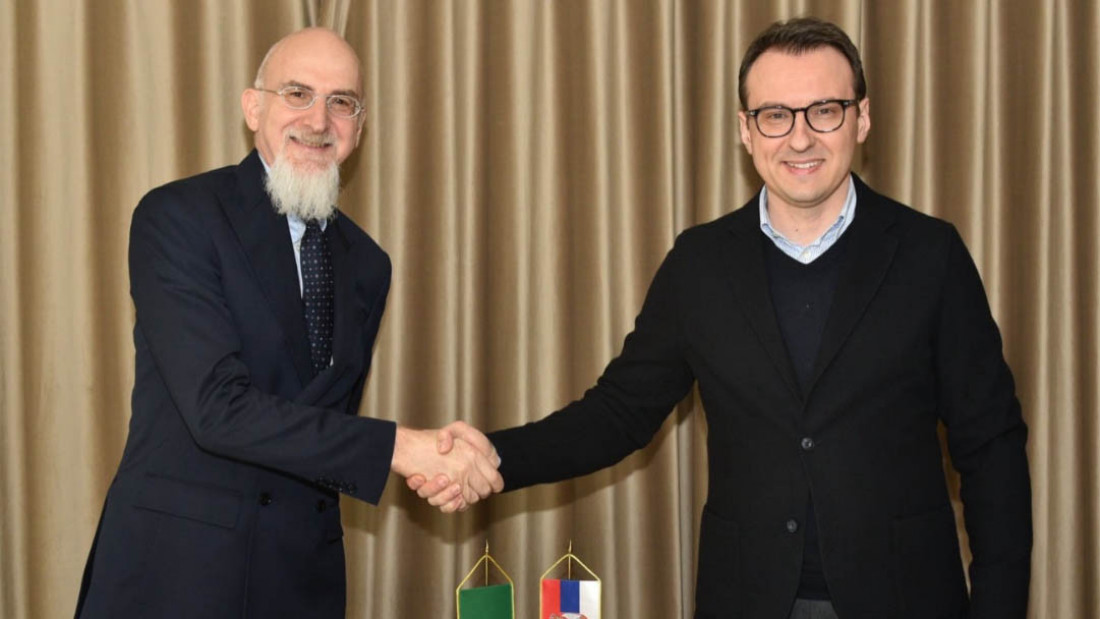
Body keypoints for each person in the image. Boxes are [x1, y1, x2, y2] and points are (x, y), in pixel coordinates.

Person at [418, 17, 1032, 619]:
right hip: (747, 596)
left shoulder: (931, 255)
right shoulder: (700, 264)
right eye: (775, 115)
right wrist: (494, 458)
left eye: (824, 110)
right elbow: (618, 413)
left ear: (862, 118)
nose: (799, 138)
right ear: (745, 129)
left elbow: (991, 447)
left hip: (906, 598)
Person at [75, 27, 500, 618]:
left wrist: (437, 462)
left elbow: (323, 428)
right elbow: (217, 410)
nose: (319, 120)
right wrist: (400, 449)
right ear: (254, 108)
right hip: (177, 577)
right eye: (297, 93)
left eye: (341, 102)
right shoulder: (179, 217)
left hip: (301, 582)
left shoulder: (368, 264)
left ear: (359, 129)